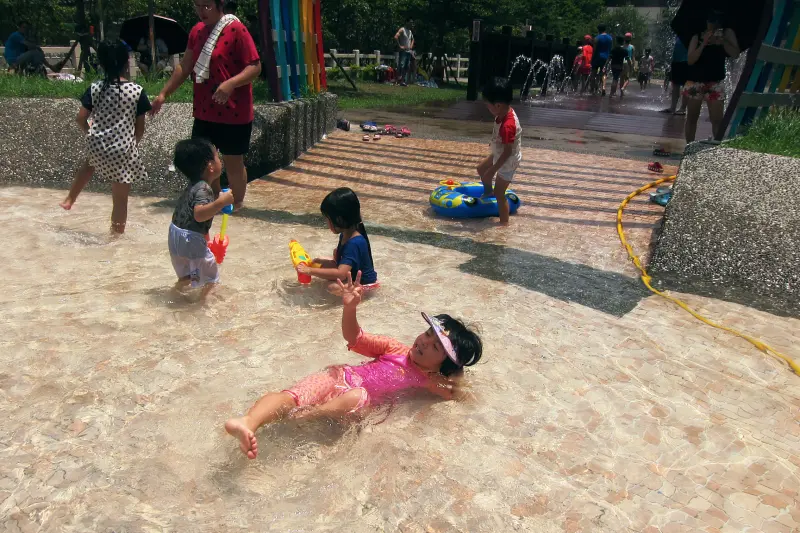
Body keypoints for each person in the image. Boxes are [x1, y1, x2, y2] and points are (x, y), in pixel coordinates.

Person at [224, 272, 483, 459]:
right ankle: (248, 422)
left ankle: (311, 415)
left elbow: (458, 393)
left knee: (359, 396)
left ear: (444, 365)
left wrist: (455, 375)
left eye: (436, 347)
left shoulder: (430, 380)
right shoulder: (394, 348)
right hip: (341, 378)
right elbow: (354, 337)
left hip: (356, 403)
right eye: (428, 334)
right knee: (293, 395)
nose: (425, 342)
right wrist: (350, 309)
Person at [150, 0, 261, 211]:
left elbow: (255, 67)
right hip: (204, 109)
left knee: (232, 161)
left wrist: (230, 84)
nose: (202, 11)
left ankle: (237, 206)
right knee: (204, 161)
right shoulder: (197, 31)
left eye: (207, 6)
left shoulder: (236, 29)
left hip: (234, 110)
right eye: (197, 6)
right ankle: (214, 202)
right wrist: (164, 93)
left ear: (220, 5)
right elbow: (185, 66)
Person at [59, 40, 151, 234]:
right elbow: (140, 128)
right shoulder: (137, 91)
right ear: (127, 62)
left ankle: (70, 199)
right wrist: (132, 146)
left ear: (100, 63)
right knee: (120, 201)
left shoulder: (95, 88)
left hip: (97, 144)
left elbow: (80, 118)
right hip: (122, 150)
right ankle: (116, 236)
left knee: (88, 165)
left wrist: (91, 133)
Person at [168, 138, 234, 295]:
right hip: (190, 239)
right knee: (210, 281)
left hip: (175, 235)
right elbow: (199, 215)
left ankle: (176, 296)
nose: (220, 159)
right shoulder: (204, 188)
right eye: (217, 156)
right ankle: (204, 308)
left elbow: (191, 218)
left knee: (187, 277)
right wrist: (220, 202)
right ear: (210, 166)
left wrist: (207, 242)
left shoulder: (192, 185)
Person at [296, 187, 379, 291]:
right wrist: (317, 264)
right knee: (320, 261)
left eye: (328, 220)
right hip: (350, 275)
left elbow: (341, 274)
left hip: (364, 285)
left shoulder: (354, 243)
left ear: (339, 219)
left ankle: (354, 295)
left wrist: (309, 271)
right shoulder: (346, 234)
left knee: (332, 287)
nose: (327, 224)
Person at [684, 10, 740, 143]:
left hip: (715, 81)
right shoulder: (697, 35)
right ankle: (689, 146)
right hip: (695, 82)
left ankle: (716, 147)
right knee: (692, 117)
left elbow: (736, 54)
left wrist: (722, 42)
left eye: (716, 20)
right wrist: (703, 43)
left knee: (717, 119)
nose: (713, 23)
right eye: (710, 20)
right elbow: (690, 60)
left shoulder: (727, 32)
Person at [477, 77, 521, 227]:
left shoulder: (508, 125)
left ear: (497, 105)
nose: (488, 109)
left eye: (488, 106)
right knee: (481, 169)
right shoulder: (502, 113)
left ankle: (504, 224)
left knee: (500, 194)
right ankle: (488, 192)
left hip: (507, 160)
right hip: (500, 153)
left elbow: (508, 152)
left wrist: (493, 170)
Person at [661, 37, 689, 115]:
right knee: (675, 85)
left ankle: (683, 108)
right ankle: (673, 107)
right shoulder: (678, 35)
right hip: (676, 61)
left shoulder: (691, 35)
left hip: (686, 61)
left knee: (686, 86)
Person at [394, 20, 415, 86]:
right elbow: (396, 37)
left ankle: (402, 81)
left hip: (408, 51)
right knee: (401, 65)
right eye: (410, 23)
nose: (411, 24)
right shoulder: (402, 29)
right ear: (407, 22)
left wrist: (411, 46)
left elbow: (412, 39)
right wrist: (400, 46)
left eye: (412, 23)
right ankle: (397, 81)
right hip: (403, 51)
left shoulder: (410, 31)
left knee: (406, 66)